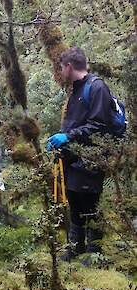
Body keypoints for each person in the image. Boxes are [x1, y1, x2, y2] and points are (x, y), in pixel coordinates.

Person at [47, 46, 112, 262]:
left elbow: (98, 125)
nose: (60, 72)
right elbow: (75, 123)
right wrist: (61, 139)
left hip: (91, 159)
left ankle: (95, 254)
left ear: (69, 66)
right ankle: (75, 249)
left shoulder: (97, 88)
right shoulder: (76, 89)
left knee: (90, 205)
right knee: (74, 202)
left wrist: (69, 137)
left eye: (61, 68)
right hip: (73, 159)